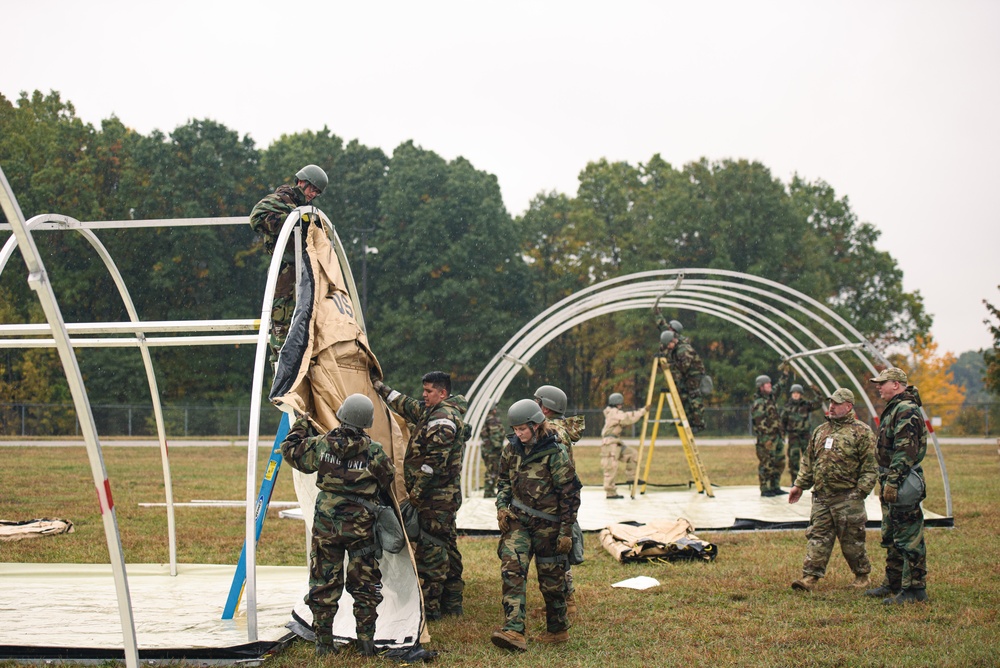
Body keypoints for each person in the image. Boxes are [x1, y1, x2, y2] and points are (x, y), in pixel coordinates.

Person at [278, 394, 395, 657]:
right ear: (366, 422)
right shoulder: (373, 451)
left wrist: (301, 425)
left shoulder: (322, 445)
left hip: (327, 526)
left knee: (323, 582)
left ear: (341, 415)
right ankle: (366, 643)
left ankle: (324, 644)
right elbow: (388, 476)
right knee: (365, 584)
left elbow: (290, 451)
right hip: (361, 528)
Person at [372, 370, 467, 619]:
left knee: (431, 548)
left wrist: (416, 493)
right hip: (440, 497)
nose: (423, 396)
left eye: (429, 392)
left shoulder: (443, 420)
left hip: (435, 497)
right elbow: (405, 403)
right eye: (423, 390)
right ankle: (453, 600)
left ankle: (432, 606)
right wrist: (380, 387)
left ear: (443, 393)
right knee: (446, 543)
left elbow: (433, 464)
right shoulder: (433, 411)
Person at [491, 399, 582, 652]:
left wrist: (566, 531)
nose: (518, 434)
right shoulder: (511, 450)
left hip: (550, 527)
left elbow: (570, 494)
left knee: (552, 581)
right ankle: (514, 630)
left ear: (536, 425)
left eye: (522, 429)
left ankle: (558, 630)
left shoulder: (555, 452)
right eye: (515, 429)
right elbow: (503, 482)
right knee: (512, 571)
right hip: (518, 522)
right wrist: (502, 506)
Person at [788, 388, 877, 592]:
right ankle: (809, 577)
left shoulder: (861, 432)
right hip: (821, 497)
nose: (832, 406)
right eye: (831, 403)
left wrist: (860, 493)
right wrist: (799, 485)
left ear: (849, 406)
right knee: (818, 536)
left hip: (847, 497)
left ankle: (862, 576)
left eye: (837, 403)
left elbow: (871, 467)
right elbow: (809, 461)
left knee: (852, 540)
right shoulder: (821, 431)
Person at [249, 164, 329, 364]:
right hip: (284, 267)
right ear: (301, 182)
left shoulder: (304, 209)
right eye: (312, 189)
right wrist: (292, 222)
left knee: (308, 311)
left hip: (302, 268)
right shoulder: (283, 199)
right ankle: (281, 356)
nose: (313, 194)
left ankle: (303, 354)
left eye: (317, 192)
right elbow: (256, 218)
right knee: (281, 314)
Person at [866, 367, 930, 604]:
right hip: (892, 477)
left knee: (908, 535)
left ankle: (914, 589)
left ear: (896, 384)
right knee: (892, 533)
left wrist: (893, 482)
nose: (878, 387)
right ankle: (893, 582)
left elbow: (906, 449)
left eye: (882, 383)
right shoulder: (896, 408)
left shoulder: (906, 409)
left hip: (902, 479)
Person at [533, 384, 585, 615]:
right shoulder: (562, 428)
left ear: (545, 408)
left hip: (552, 501)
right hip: (561, 498)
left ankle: (565, 602)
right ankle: (566, 600)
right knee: (557, 552)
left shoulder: (550, 431)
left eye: (537, 402)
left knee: (554, 555)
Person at [600, 392, 648, 499]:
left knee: (633, 454)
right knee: (611, 467)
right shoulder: (613, 413)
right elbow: (627, 418)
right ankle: (610, 492)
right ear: (617, 404)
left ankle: (632, 477)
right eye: (620, 403)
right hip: (610, 444)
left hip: (616, 442)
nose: (622, 405)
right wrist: (643, 411)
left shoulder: (614, 412)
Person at [658, 329, 707, 432]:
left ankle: (699, 424)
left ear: (673, 341)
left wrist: (669, 366)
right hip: (686, 376)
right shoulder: (675, 348)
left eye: (668, 345)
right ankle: (687, 420)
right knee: (683, 396)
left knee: (694, 398)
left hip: (694, 376)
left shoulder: (683, 350)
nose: (668, 348)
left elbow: (683, 366)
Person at [780, 381, 824, 486]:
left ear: (800, 394)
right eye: (794, 393)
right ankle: (795, 481)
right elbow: (782, 422)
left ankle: (810, 480)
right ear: (791, 394)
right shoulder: (787, 407)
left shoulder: (806, 405)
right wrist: (782, 434)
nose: (796, 394)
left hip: (805, 436)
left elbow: (818, 402)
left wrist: (817, 391)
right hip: (793, 436)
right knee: (793, 459)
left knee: (809, 458)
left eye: (798, 393)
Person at [751, 373, 787, 497]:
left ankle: (775, 486)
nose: (770, 385)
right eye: (767, 384)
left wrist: (784, 374)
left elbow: (779, 387)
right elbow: (759, 423)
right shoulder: (759, 403)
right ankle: (765, 488)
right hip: (766, 439)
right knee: (767, 463)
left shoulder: (771, 398)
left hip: (777, 437)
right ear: (761, 387)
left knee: (779, 461)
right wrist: (766, 438)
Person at [480, 401, 505, 498]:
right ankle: (488, 491)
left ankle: (489, 490)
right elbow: (496, 435)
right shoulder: (492, 420)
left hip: (487, 449)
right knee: (493, 470)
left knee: (490, 469)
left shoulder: (485, 419)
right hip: (492, 451)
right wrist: (498, 448)